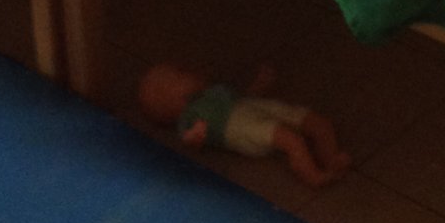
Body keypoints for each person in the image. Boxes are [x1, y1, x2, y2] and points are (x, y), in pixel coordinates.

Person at [137, 63, 350, 188]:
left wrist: (259, 85)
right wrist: (196, 135)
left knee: (314, 121)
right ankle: (315, 176)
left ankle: (331, 158)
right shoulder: (189, 117)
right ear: (174, 102)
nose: (188, 70)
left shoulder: (208, 94)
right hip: (237, 127)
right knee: (291, 140)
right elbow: (189, 139)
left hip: (250, 107)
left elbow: (238, 97)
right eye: (179, 73)